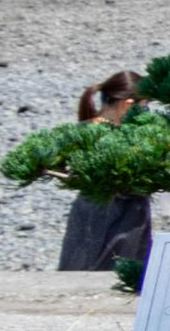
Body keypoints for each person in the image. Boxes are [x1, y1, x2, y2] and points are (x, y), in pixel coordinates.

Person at [57, 72, 153, 273]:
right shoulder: (132, 138)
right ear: (127, 104)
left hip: (88, 213)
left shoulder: (80, 131)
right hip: (125, 218)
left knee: (79, 274)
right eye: (144, 106)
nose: (147, 112)